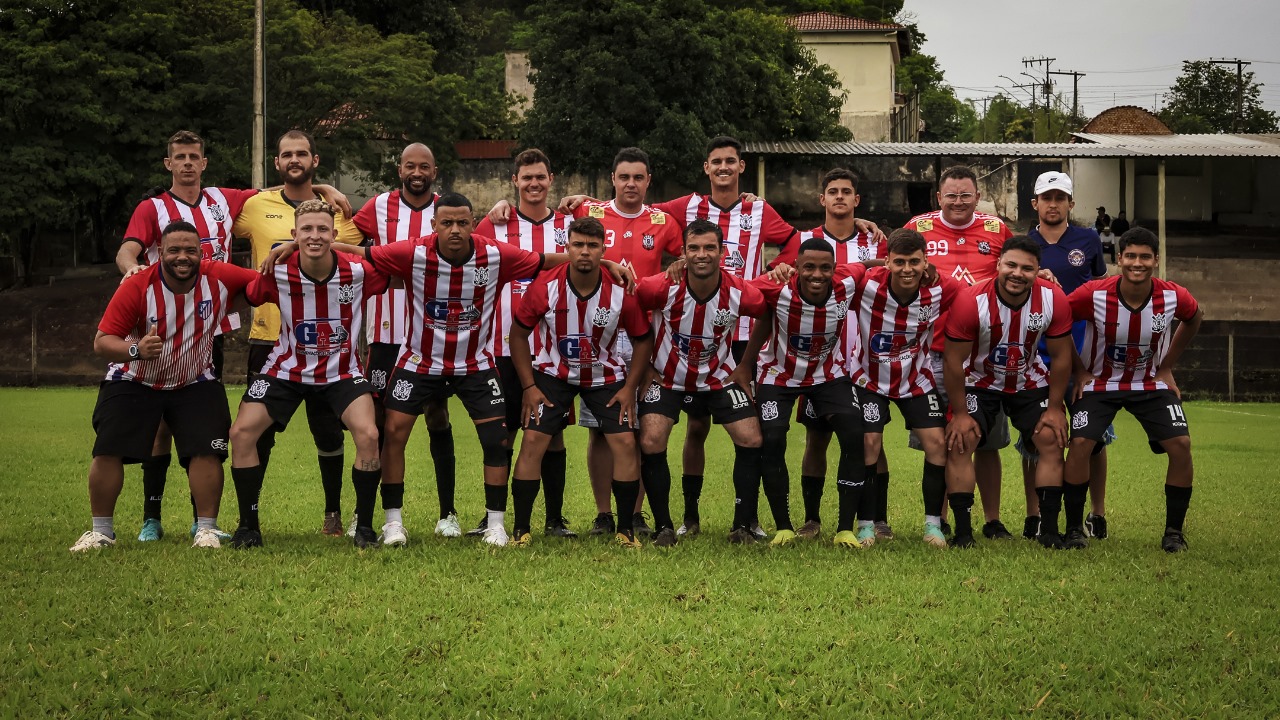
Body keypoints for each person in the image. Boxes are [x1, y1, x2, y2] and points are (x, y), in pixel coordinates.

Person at [291, 193, 631, 547]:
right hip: (420, 362)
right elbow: (360, 253)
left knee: (497, 439)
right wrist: (297, 246)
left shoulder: (495, 254)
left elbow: (547, 260)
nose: (455, 230)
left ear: (473, 223)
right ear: (435, 225)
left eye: (463, 223)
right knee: (393, 432)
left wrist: (603, 265)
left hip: (475, 364)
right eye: (447, 223)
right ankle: (393, 522)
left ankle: (496, 524)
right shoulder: (413, 252)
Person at [116, 129, 349, 543]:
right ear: (168, 163)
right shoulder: (152, 207)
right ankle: (151, 517)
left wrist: (325, 185)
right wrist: (131, 269)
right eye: (180, 157)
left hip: (210, 328)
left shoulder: (226, 200)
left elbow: (286, 186)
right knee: (161, 424)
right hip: (163, 327)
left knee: (200, 420)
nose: (188, 163)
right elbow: (128, 249)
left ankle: (202, 520)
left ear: (204, 163)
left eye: (194, 157)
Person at [71, 221, 259, 552]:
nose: (182, 257)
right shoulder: (137, 286)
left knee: (207, 450)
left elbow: (262, 285)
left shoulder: (218, 276)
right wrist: (136, 350)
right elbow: (102, 343)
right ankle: (102, 532)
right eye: (174, 250)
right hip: (135, 378)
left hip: (194, 378)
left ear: (202, 252)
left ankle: (206, 530)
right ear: (160, 253)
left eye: (190, 250)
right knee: (107, 448)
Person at [230, 200, 388, 549]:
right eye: (306, 230)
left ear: (334, 234)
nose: (314, 236)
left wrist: (293, 246)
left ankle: (363, 527)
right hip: (287, 369)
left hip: (342, 372)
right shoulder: (278, 272)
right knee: (242, 433)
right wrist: (282, 253)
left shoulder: (360, 271)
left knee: (369, 434)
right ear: (294, 234)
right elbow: (252, 292)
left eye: (322, 230)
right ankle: (248, 526)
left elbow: (391, 262)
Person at [233, 130, 364, 536]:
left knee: (327, 430)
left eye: (301, 153)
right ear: (276, 162)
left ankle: (333, 514)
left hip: (326, 346)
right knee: (260, 432)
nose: (294, 159)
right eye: (286, 154)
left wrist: (322, 198)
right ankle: (249, 519)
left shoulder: (337, 213)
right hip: (269, 337)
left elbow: (359, 256)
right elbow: (217, 225)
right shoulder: (255, 205)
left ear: (315, 159)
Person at [507, 216, 654, 546]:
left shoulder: (620, 292)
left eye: (592, 246)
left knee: (626, 442)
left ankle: (625, 530)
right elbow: (517, 336)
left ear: (604, 249)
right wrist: (529, 387)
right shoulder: (545, 286)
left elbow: (643, 340)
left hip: (605, 375)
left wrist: (630, 387)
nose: (584, 252)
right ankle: (521, 529)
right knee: (532, 441)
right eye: (578, 245)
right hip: (552, 374)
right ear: (567, 247)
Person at [1062, 227, 1203, 552]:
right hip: (1099, 382)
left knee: (1180, 443)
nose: (1137, 263)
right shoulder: (1094, 293)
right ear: (1119, 259)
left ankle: (1173, 533)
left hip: (1150, 383)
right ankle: (1073, 530)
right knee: (1081, 442)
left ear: (1155, 260)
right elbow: (1061, 319)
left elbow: (1194, 318)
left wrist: (1167, 365)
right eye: (1130, 256)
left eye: (1144, 257)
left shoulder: (1173, 296)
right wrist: (1080, 369)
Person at [770, 168, 889, 540]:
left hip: (865, 359)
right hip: (816, 361)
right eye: (832, 191)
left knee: (871, 436)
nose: (839, 197)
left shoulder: (875, 242)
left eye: (847, 192)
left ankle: (876, 517)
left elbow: (890, 274)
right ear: (821, 199)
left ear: (857, 200)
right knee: (816, 437)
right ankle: (811, 519)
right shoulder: (802, 239)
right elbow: (778, 280)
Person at [635, 219, 768, 546]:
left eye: (710, 248)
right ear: (683, 252)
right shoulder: (663, 286)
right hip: (667, 378)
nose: (702, 254)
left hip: (720, 378)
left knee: (751, 439)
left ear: (722, 252)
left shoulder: (738, 291)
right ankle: (665, 526)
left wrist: (746, 364)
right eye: (694, 248)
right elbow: (634, 305)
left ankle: (742, 526)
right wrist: (645, 366)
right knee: (651, 440)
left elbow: (766, 313)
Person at [352, 142, 459, 541]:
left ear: (435, 171)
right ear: (400, 169)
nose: (417, 172)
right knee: (378, 425)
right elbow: (346, 236)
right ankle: (369, 514)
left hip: (432, 337)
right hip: (385, 334)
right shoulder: (377, 207)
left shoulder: (449, 211)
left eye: (425, 166)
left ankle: (447, 513)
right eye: (410, 165)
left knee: (437, 416)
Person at [733, 236, 868, 547]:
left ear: (835, 269)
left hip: (828, 374)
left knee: (852, 432)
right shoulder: (777, 287)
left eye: (824, 268)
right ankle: (783, 526)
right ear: (795, 268)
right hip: (778, 376)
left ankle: (845, 529)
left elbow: (868, 266)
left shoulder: (846, 282)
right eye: (808, 267)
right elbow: (737, 288)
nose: (816, 275)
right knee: (774, 438)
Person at [942, 237, 1075, 549]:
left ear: (1038, 271)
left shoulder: (1053, 298)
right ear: (998, 265)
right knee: (963, 440)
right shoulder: (970, 299)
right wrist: (960, 414)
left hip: (1027, 379)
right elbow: (952, 359)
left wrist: (1055, 408)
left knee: (1050, 438)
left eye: (1027, 268)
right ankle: (963, 533)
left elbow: (1061, 356)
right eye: (1011, 265)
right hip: (980, 380)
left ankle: (1050, 531)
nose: (1018, 273)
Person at [905, 165, 1014, 540]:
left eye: (965, 195)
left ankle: (992, 519)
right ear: (938, 197)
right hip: (932, 351)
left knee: (987, 441)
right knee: (939, 442)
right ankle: (940, 518)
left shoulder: (997, 230)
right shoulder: (917, 228)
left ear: (977, 195)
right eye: (950, 195)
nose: (958, 202)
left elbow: (1017, 271)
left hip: (983, 355)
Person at [474, 148, 577, 539]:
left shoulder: (570, 223)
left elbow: (612, 215)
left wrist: (585, 202)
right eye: (526, 177)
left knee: (551, 435)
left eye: (541, 177)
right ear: (514, 181)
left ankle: (554, 519)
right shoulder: (494, 223)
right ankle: (493, 515)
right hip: (499, 348)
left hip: (551, 353)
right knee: (501, 432)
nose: (534, 183)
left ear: (552, 179)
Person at [849, 229, 962, 548]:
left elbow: (981, 292)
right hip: (869, 379)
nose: (908, 269)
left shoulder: (942, 288)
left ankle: (933, 526)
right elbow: (839, 273)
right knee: (869, 443)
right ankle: (867, 525)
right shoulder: (867, 285)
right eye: (899, 262)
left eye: (914, 261)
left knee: (937, 444)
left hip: (916, 381)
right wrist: (867, 262)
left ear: (926, 261)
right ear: (887, 262)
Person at [1021, 171, 1113, 541]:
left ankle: (1097, 513)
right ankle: (1036, 516)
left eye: (1061, 198)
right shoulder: (1023, 244)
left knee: (1092, 437)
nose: (1054, 204)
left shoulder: (1088, 239)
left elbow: (1101, 289)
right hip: (1036, 354)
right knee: (1036, 438)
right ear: (1036, 204)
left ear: (1071, 204)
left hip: (1084, 357)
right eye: (1047, 197)